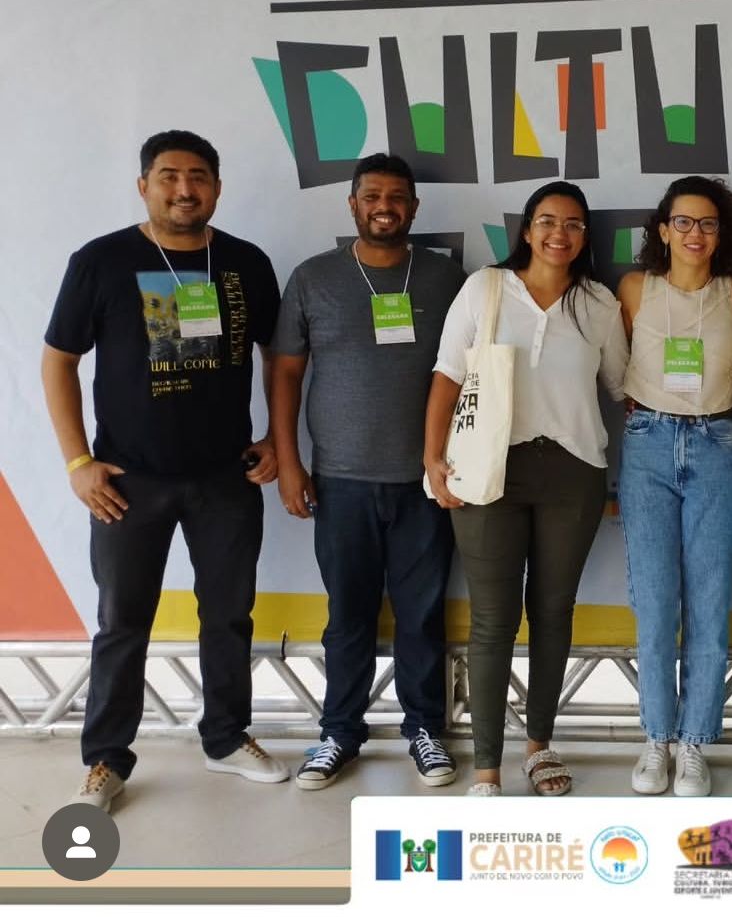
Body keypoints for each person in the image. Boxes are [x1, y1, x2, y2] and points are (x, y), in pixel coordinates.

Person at [42, 129, 287, 812]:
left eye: (199, 177)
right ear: (144, 185)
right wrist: (78, 462)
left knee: (229, 615)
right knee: (122, 621)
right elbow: (59, 360)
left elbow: (279, 355)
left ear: (217, 187)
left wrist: (277, 437)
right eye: (170, 176)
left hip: (226, 478)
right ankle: (106, 760)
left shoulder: (245, 263)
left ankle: (226, 738)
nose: (185, 189)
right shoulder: (101, 261)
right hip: (127, 482)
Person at [424, 181, 628, 797]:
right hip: (490, 469)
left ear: (585, 236)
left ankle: (539, 747)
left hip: (574, 471)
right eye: (547, 221)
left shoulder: (599, 303)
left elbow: (622, 386)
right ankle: (486, 768)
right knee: (493, 619)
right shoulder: (486, 288)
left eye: (572, 224)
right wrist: (432, 457)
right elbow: (447, 374)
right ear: (527, 229)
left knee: (552, 613)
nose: (558, 233)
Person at [270, 154, 466, 791]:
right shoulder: (314, 278)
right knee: (348, 616)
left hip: (424, 483)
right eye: (372, 195)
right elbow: (286, 373)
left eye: (398, 196)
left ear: (414, 207)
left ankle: (425, 730)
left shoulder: (445, 278)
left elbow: (470, 372)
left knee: (422, 616)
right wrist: (290, 462)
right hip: (341, 482)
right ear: (352, 204)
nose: (386, 206)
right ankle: (338, 732)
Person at [617, 175, 732, 798]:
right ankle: (657, 738)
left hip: (717, 443)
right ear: (662, 230)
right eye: (683, 222)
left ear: (720, 233)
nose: (694, 233)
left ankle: (695, 741)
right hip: (647, 441)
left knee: (708, 598)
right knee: (654, 601)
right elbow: (613, 364)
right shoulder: (635, 289)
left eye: (707, 223)